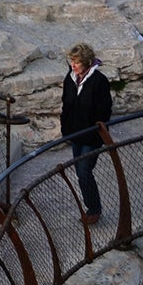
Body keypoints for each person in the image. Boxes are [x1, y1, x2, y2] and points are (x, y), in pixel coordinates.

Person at [61, 41, 112, 226]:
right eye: (72, 61)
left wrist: (97, 131)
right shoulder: (70, 79)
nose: (73, 65)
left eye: (77, 62)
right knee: (81, 171)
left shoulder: (99, 82)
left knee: (84, 171)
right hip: (75, 134)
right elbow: (66, 105)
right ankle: (91, 206)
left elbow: (105, 111)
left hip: (91, 136)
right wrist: (65, 128)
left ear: (87, 62)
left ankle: (94, 208)